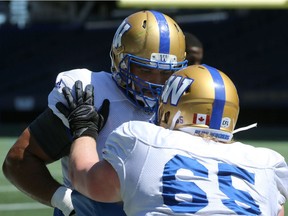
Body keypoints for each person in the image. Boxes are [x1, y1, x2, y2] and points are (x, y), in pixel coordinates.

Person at [2, 10, 187, 216]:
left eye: (167, 72)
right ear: (120, 61)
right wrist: (66, 201)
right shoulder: (92, 96)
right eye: (145, 69)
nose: (156, 82)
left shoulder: (188, 104)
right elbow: (19, 160)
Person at [61, 64, 287, 215]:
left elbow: (87, 180)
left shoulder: (143, 140)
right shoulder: (265, 163)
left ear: (170, 110)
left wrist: (84, 129)